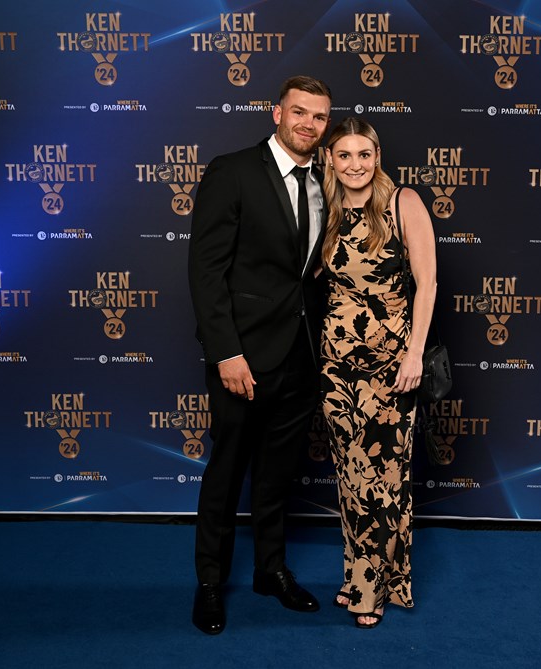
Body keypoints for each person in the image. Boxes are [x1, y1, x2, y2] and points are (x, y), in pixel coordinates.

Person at [187, 75, 332, 635]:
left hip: (301, 355)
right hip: (243, 357)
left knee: (277, 474)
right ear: (277, 113)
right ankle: (209, 582)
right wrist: (226, 352)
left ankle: (271, 571)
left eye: (319, 117)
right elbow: (206, 270)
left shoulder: (324, 180)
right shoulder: (233, 171)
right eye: (299, 112)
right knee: (227, 472)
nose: (308, 124)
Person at [320, 117, 437, 629]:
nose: (355, 165)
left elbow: (428, 283)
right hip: (335, 365)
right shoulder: (324, 208)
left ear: (377, 156)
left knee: (384, 480)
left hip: (391, 365)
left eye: (364, 154)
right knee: (350, 479)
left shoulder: (401, 202)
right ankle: (356, 577)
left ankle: (372, 591)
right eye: (344, 155)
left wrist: (414, 355)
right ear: (330, 159)